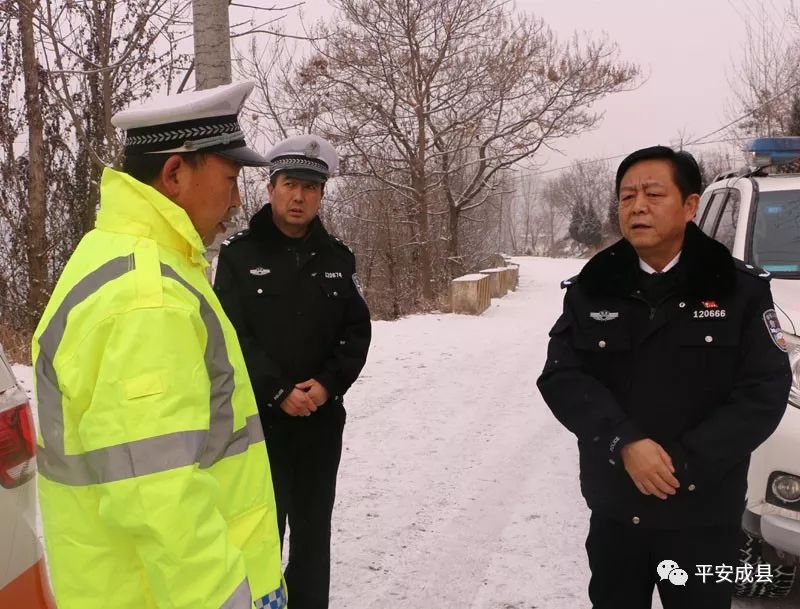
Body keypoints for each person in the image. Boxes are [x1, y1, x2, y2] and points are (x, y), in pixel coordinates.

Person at [32, 82, 286, 609]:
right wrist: (228, 599)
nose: (238, 201)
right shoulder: (146, 297)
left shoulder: (128, 257)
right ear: (174, 174)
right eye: (231, 179)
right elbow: (158, 494)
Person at [537, 145, 791, 609]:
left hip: (703, 516)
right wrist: (624, 443)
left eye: (653, 193)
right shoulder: (594, 285)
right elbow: (562, 375)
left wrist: (682, 464)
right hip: (616, 507)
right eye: (626, 196)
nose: (637, 206)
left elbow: (764, 392)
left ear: (691, 205)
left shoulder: (740, 290)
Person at [213, 134, 371, 609]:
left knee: (313, 532)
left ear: (321, 195)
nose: (298, 196)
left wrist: (324, 386)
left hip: (320, 423)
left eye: (310, 187)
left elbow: (355, 333)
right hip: (261, 423)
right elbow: (231, 335)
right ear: (271, 188)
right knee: (260, 529)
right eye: (289, 185)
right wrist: (279, 390)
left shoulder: (338, 258)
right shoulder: (239, 255)